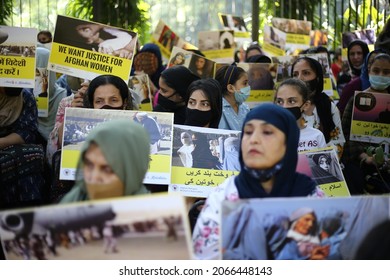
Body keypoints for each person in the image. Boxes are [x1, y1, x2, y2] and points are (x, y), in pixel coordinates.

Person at [192, 103, 325, 259]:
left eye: (267, 132)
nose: (253, 139)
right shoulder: (223, 196)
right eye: (248, 132)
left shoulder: (312, 198)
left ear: (288, 143)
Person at [46, 74, 135, 164]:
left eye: (114, 100)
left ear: (124, 103)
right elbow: (57, 154)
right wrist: (71, 117)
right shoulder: (80, 131)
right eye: (99, 101)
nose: (106, 106)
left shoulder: (136, 129)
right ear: (92, 104)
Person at [60, 119, 150, 203]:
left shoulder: (152, 217)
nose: (93, 178)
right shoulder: (73, 201)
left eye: (107, 170)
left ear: (132, 172)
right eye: (89, 165)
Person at [341, 53, 390, 194]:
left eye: (387, 72)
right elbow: (345, 134)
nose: (381, 75)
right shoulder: (356, 100)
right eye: (376, 71)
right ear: (369, 71)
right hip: (359, 165)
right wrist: (365, 158)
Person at [291, 56, 345, 158]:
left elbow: (338, 144)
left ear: (318, 78)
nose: (299, 78)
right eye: (295, 74)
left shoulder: (329, 107)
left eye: (306, 73)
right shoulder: (284, 107)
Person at [274, 78, 327, 152]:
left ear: (306, 105)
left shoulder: (316, 136)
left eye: (291, 101)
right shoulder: (269, 136)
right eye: (280, 101)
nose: (284, 106)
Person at [337, 49, 385, 117]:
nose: (377, 65)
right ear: (367, 65)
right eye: (372, 62)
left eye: (381, 62)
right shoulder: (353, 86)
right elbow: (341, 114)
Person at [215, 64, 250, 131]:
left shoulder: (245, 108)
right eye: (245, 83)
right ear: (230, 88)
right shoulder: (218, 109)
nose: (248, 86)